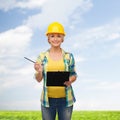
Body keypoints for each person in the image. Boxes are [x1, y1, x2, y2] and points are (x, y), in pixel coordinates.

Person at [34, 22, 77, 120]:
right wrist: (39, 71)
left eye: (58, 36)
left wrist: (70, 80)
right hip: (47, 101)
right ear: (48, 39)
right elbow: (38, 79)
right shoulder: (42, 57)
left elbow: (74, 74)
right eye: (52, 36)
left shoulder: (69, 56)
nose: (55, 39)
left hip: (66, 100)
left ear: (63, 38)